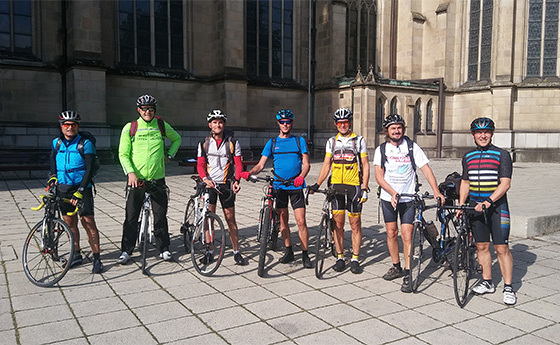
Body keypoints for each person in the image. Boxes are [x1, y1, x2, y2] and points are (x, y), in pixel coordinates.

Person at [373, 114, 444, 292]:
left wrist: (436, 190)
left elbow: (426, 169)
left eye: (399, 127)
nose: (396, 131)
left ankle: (407, 272)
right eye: (393, 128)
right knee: (391, 233)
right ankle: (396, 266)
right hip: (389, 198)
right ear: (387, 131)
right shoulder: (381, 150)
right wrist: (391, 192)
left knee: (406, 234)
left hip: (409, 198)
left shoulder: (411, 147)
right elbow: (378, 176)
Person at [240, 109, 312, 268]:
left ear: (291, 123)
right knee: (283, 220)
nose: (285, 125)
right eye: (282, 122)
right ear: (278, 123)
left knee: (301, 221)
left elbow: (306, 164)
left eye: (288, 122)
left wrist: (302, 176)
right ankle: (289, 251)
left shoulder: (299, 141)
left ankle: (305, 254)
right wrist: (249, 173)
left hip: (295, 185)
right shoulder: (272, 143)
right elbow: (260, 164)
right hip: (279, 186)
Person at [117, 95, 182, 264]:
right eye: (144, 109)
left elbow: (177, 139)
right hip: (136, 180)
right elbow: (123, 154)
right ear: (139, 110)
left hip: (157, 179)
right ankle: (126, 250)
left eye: (151, 109)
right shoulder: (130, 127)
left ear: (155, 111)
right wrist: (130, 173)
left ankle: (164, 248)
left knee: (160, 216)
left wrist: (169, 154)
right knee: (131, 217)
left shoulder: (160, 125)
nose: (147, 112)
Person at [459, 117, 516, 305]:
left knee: (501, 247)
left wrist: (488, 202)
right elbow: (465, 182)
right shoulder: (468, 156)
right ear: (473, 135)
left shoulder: (502, 155)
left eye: (486, 132)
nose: (482, 135)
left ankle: (508, 286)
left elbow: (505, 184)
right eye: (478, 132)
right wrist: (461, 205)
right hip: (475, 207)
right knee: (482, 246)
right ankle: (487, 281)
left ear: (491, 134)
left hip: (498, 208)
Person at [309, 108, 370, 274]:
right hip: (335, 186)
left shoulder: (359, 140)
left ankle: (356, 258)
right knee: (338, 225)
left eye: (345, 122)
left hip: (354, 187)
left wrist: (364, 187)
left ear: (350, 122)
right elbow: (326, 164)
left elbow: (365, 164)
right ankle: (341, 257)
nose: (342, 125)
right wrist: (317, 183)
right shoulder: (332, 142)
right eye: (339, 123)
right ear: (335, 124)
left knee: (355, 224)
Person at [49, 111, 103, 274]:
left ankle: (97, 258)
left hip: (81, 187)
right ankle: (76, 254)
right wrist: (52, 177)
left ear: (78, 126)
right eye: (66, 125)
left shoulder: (85, 143)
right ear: (61, 126)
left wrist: (80, 191)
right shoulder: (56, 143)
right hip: (63, 188)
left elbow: (89, 168)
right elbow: (52, 160)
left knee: (88, 221)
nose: (70, 127)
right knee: (70, 222)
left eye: (73, 124)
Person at [196, 110, 246, 265]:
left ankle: (236, 251)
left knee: (230, 219)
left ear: (223, 124)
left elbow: (238, 163)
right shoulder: (204, 143)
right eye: (215, 122)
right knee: (209, 219)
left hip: (226, 184)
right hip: (210, 184)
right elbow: (200, 164)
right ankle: (210, 251)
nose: (218, 125)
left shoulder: (232, 142)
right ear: (210, 125)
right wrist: (205, 179)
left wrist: (237, 180)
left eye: (220, 122)